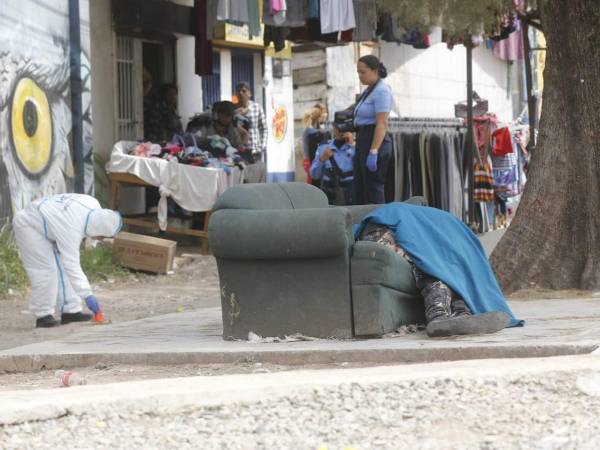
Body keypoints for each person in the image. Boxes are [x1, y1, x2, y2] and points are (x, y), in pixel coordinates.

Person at [355, 202, 522, 337]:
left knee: (445, 272)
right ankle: (438, 316)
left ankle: (460, 313)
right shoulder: (454, 236)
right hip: (380, 229)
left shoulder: (452, 231)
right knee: (432, 269)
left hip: (393, 225)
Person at [12, 194, 122, 328]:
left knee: (62, 267)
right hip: (29, 224)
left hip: (51, 220)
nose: (100, 239)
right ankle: (43, 315)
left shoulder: (94, 206)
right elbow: (72, 265)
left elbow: (89, 233)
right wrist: (88, 295)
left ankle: (71, 311)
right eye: (102, 236)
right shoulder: (72, 229)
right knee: (45, 270)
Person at [353, 55, 394, 205]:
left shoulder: (382, 91)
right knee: (361, 188)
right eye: (358, 72)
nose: (360, 76)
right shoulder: (369, 90)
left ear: (375, 71)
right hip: (363, 138)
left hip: (374, 140)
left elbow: (381, 123)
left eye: (363, 72)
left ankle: (378, 226)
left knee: (373, 189)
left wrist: (374, 151)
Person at [310, 124, 355, 205]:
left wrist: (353, 146)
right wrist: (322, 160)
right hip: (331, 196)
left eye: (345, 127)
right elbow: (314, 175)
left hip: (352, 196)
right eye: (339, 127)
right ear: (334, 129)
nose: (342, 130)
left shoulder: (355, 148)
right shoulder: (323, 148)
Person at [234, 82, 267, 183]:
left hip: (255, 152)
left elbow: (264, 128)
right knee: (244, 181)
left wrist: (262, 146)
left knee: (258, 179)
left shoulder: (257, 108)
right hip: (240, 153)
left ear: (249, 93)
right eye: (238, 91)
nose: (241, 93)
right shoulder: (233, 110)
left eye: (244, 90)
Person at [302, 103, 329, 185]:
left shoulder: (314, 129)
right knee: (312, 181)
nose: (325, 115)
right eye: (323, 114)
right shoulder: (310, 131)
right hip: (309, 160)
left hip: (311, 159)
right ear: (318, 117)